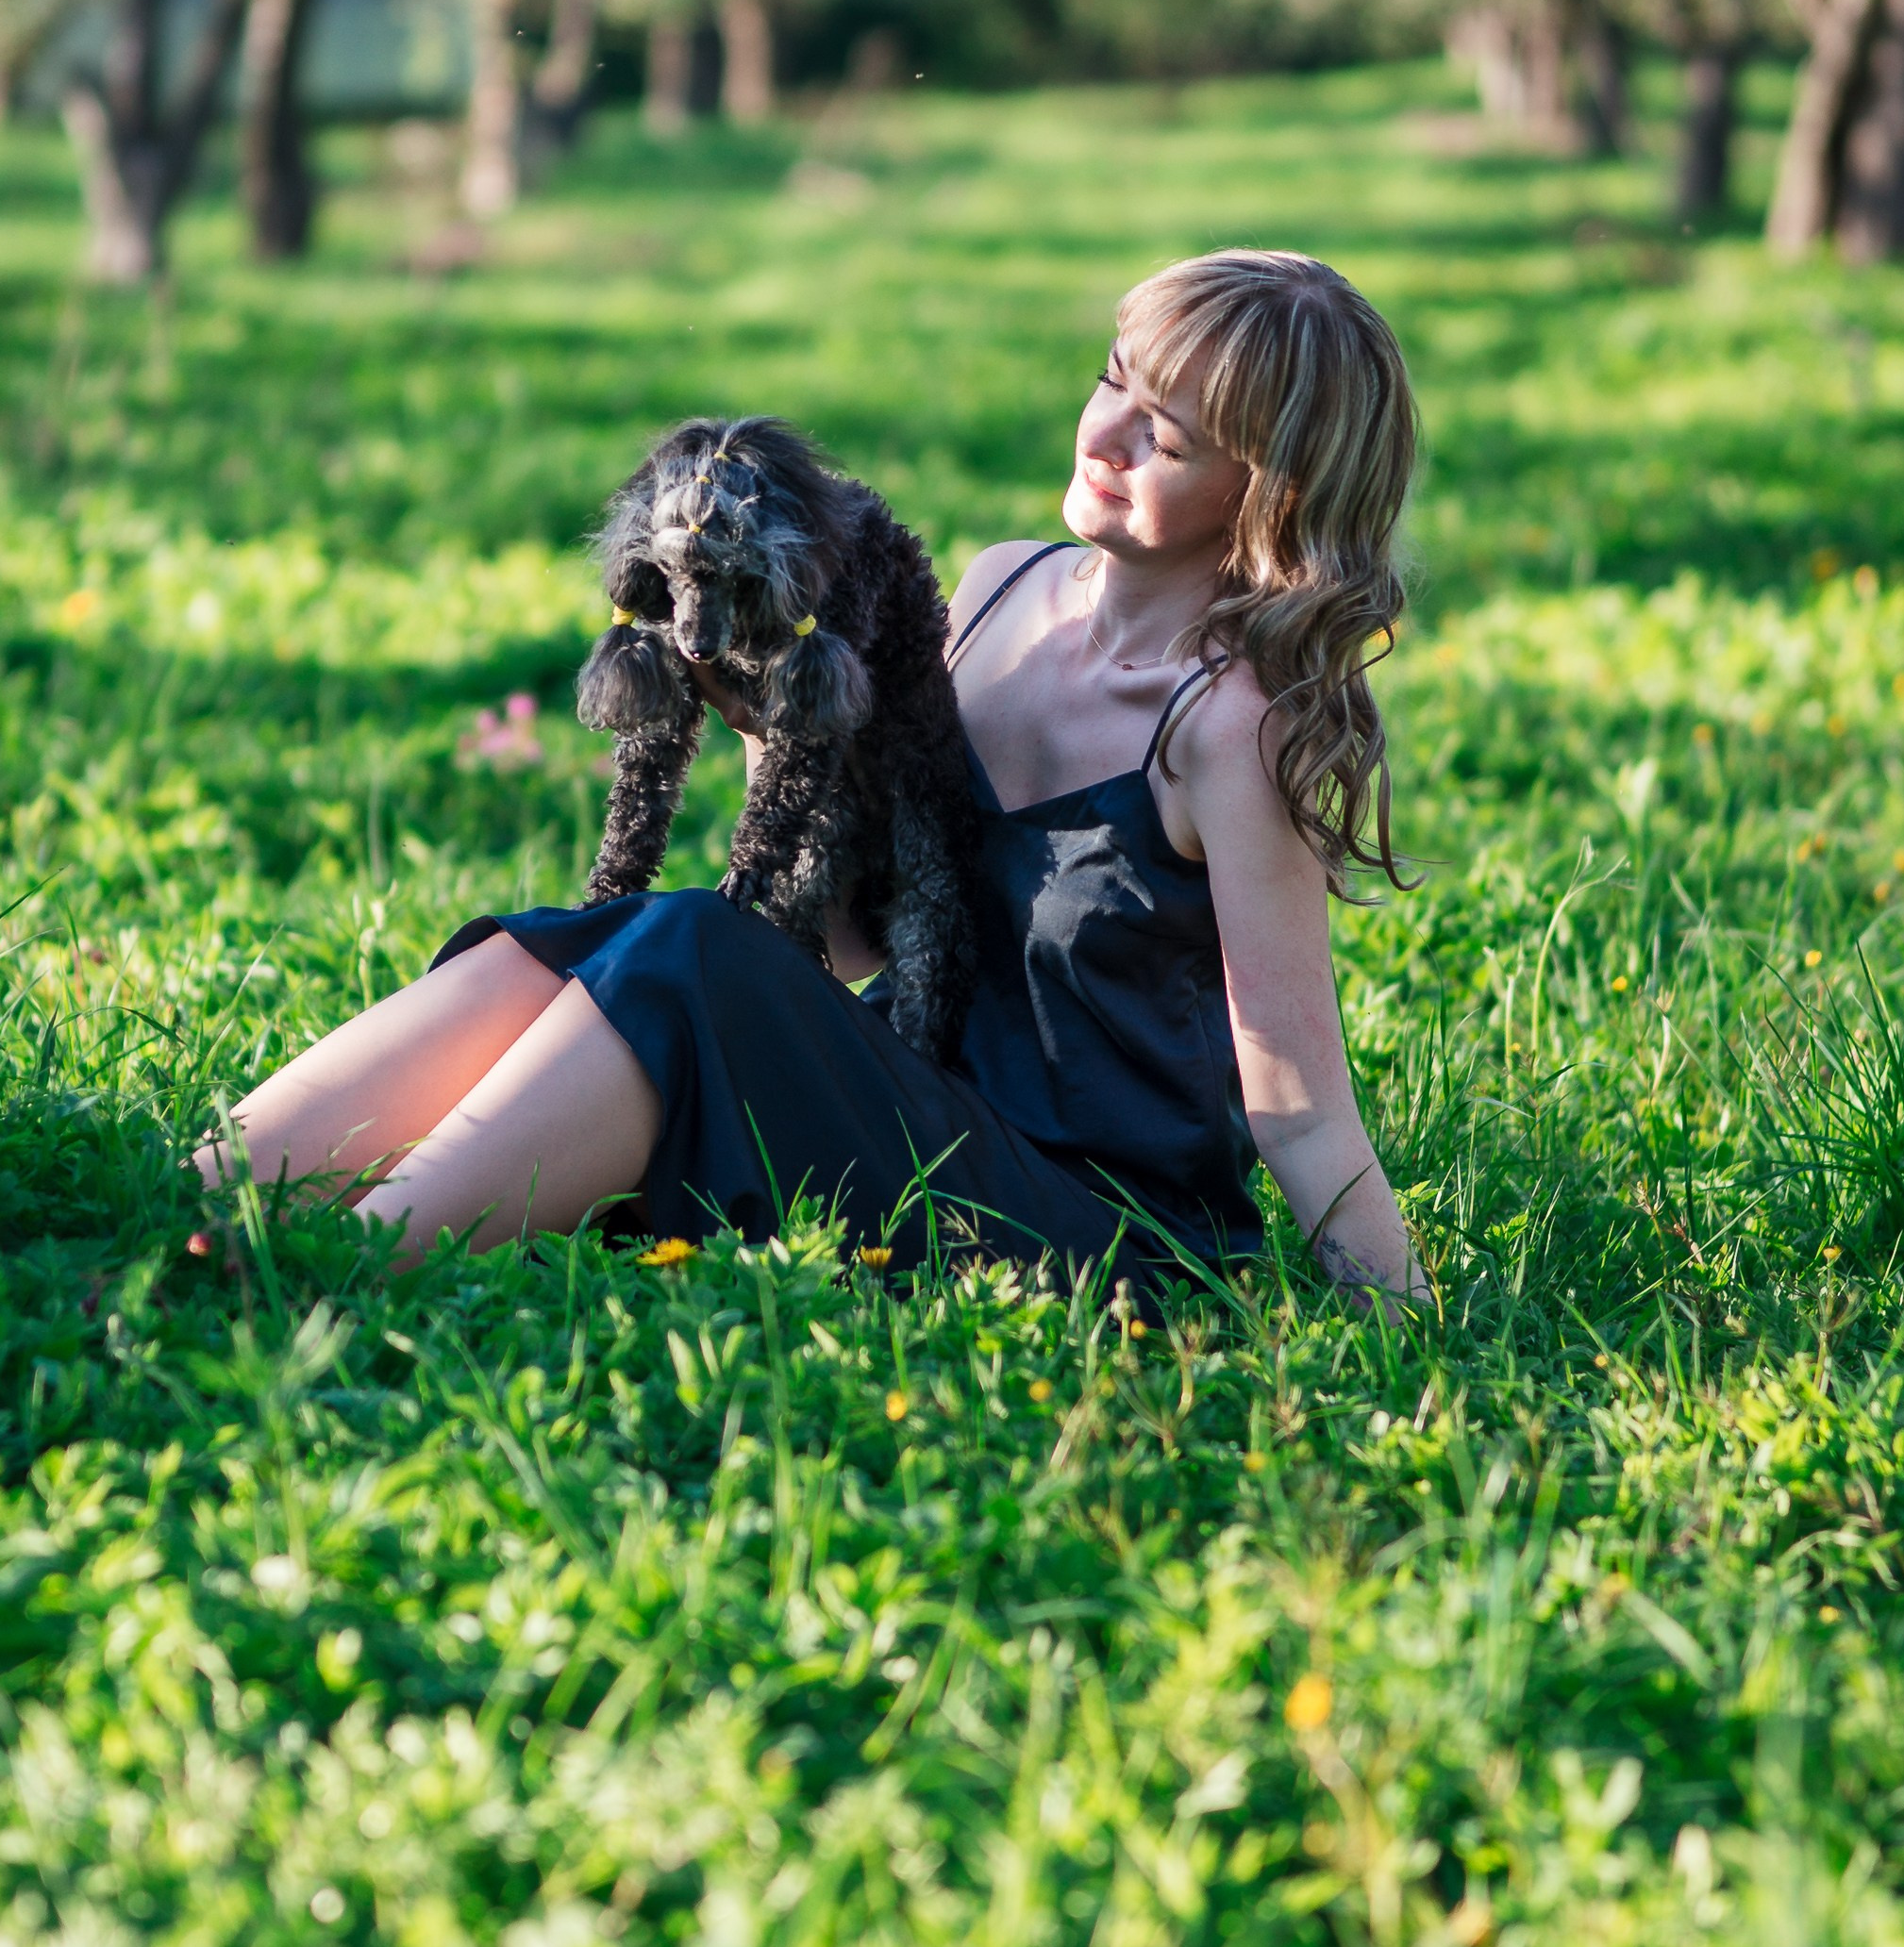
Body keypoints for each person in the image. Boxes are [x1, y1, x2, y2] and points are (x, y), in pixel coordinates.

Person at [196, 248, 1420, 1313]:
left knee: (688, 946)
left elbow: (1301, 1107)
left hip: (1094, 1242)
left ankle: (323, 1273)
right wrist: (768, 733)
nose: (1105, 437)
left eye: (1168, 436)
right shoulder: (1001, 589)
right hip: (905, 1129)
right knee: (628, 936)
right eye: (1113, 382)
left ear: (1269, 494)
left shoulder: (1229, 728)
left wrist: (1415, 1341)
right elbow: (848, 933)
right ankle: (206, 1190)